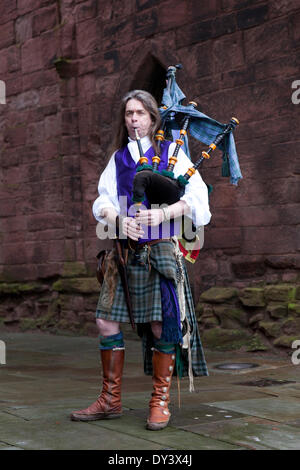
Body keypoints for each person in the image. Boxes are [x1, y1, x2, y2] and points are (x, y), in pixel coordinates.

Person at [70, 90, 211, 430]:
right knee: (106, 321)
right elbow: (102, 202)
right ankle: (110, 399)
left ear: (152, 118)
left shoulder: (172, 154)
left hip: (160, 251)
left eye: (139, 113)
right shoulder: (118, 159)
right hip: (123, 252)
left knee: (163, 326)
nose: (133, 118)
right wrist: (117, 220)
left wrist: (167, 212)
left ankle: (159, 401)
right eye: (128, 113)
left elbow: (200, 203)